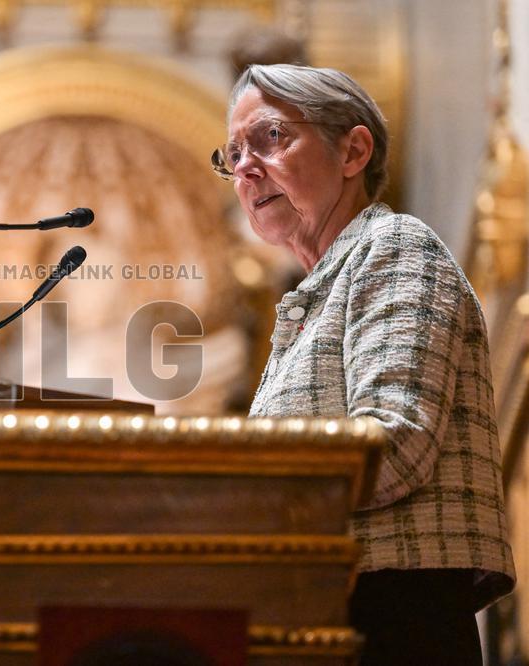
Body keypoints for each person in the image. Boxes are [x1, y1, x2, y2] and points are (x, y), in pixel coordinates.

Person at [212, 63, 516, 665]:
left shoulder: (395, 246)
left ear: (352, 151)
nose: (245, 167)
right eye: (233, 152)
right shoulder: (316, 291)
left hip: (391, 620)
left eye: (271, 137)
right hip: (328, 611)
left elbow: (392, 443)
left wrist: (237, 482)